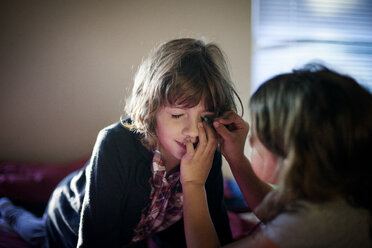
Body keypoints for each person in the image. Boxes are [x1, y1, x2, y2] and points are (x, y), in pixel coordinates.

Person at [0, 38, 243, 248]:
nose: (193, 131)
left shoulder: (207, 153)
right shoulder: (115, 144)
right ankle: (8, 209)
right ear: (151, 109)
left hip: (133, 233)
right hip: (69, 220)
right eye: (178, 115)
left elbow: (216, 236)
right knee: (34, 232)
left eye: (205, 118)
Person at [180, 64, 372, 247]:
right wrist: (236, 158)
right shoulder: (341, 199)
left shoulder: (314, 224)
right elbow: (276, 214)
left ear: (293, 155)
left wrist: (193, 184)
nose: (251, 141)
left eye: (257, 136)